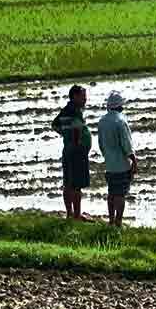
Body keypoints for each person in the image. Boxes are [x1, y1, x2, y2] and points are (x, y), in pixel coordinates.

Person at [97, 90, 137, 227]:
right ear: (120, 106)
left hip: (109, 164)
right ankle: (118, 222)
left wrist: (108, 157)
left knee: (112, 193)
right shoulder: (121, 121)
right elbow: (126, 145)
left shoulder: (102, 121)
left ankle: (111, 220)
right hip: (122, 165)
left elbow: (101, 144)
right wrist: (134, 161)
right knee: (120, 194)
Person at [53, 85, 92, 219]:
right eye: (83, 97)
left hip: (68, 150)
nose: (85, 99)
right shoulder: (74, 111)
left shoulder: (66, 110)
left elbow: (55, 125)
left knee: (68, 183)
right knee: (76, 185)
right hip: (76, 152)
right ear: (75, 96)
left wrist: (65, 134)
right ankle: (76, 215)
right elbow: (76, 129)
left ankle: (70, 213)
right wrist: (75, 141)